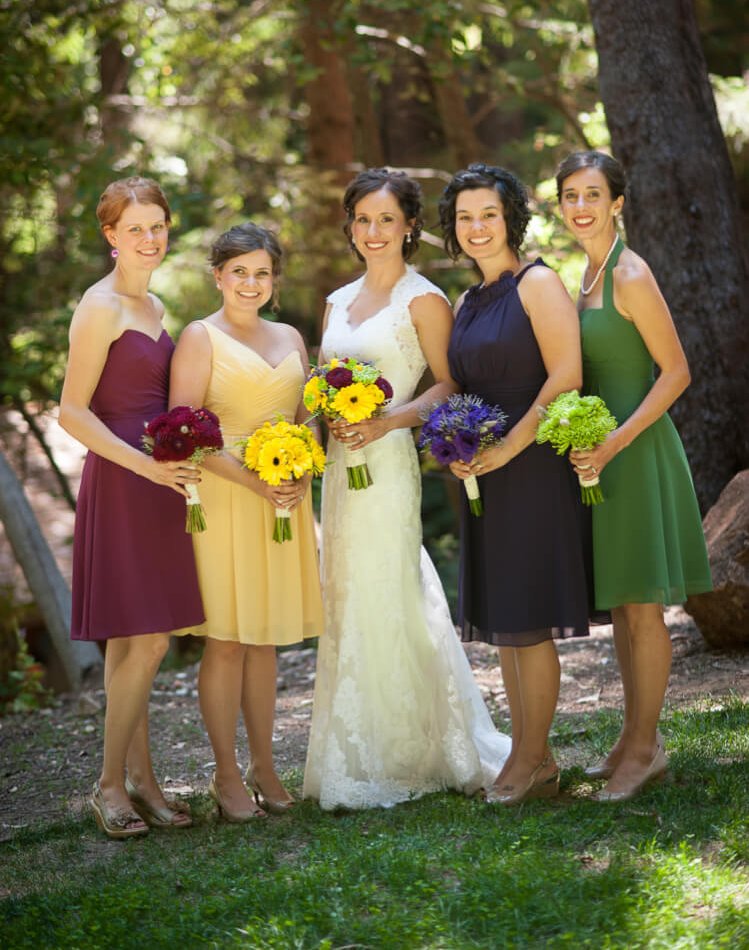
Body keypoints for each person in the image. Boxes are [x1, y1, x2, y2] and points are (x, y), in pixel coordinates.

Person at [303, 168, 511, 811]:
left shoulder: (424, 299)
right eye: (362, 219)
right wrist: (317, 430)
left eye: (386, 220)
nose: (373, 231)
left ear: (411, 226)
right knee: (346, 592)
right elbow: (319, 381)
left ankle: (411, 748)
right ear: (350, 226)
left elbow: (447, 384)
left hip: (388, 463)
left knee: (387, 585)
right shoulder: (336, 301)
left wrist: (385, 421)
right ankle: (354, 745)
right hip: (341, 467)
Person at [556, 150, 713, 802]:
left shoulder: (631, 272)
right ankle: (630, 734)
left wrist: (615, 441)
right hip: (600, 458)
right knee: (622, 603)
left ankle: (647, 749)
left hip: (637, 452)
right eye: (568, 195)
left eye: (591, 194)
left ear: (616, 201)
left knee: (642, 608)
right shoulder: (587, 274)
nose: (580, 206)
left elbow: (674, 371)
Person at [439, 163, 590, 806]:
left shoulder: (540, 283)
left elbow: (565, 376)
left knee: (528, 616)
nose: (476, 227)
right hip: (485, 473)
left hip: (531, 466)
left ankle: (529, 759)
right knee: (504, 619)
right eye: (464, 217)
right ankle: (538, 759)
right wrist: (456, 445)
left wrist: (506, 448)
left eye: (488, 215)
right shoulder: (465, 302)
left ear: (511, 219)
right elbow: (458, 388)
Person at [59, 176, 205, 839]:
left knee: (136, 638)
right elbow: (71, 410)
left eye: (157, 226)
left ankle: (143, 781)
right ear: (111, 235)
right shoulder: (101, 305)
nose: (149, 239)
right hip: (123, 479)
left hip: (161, 478)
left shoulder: (155, 305)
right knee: (145, 636)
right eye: (135, 228)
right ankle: (108, 784)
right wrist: (145, 463)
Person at [169, 223, 324, 822]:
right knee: (229, 640)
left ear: (274, 279)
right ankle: (226, 775)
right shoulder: (198, 337)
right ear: (218, 275)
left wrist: (302, 472)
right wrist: (256, 481)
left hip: (283, 495)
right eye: (239, 272)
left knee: (267, 640)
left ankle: (265, 764)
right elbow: (183, 435)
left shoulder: (290, 336)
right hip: (227, 495)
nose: (250, 283)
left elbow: (307, 419)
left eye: (262, 273)